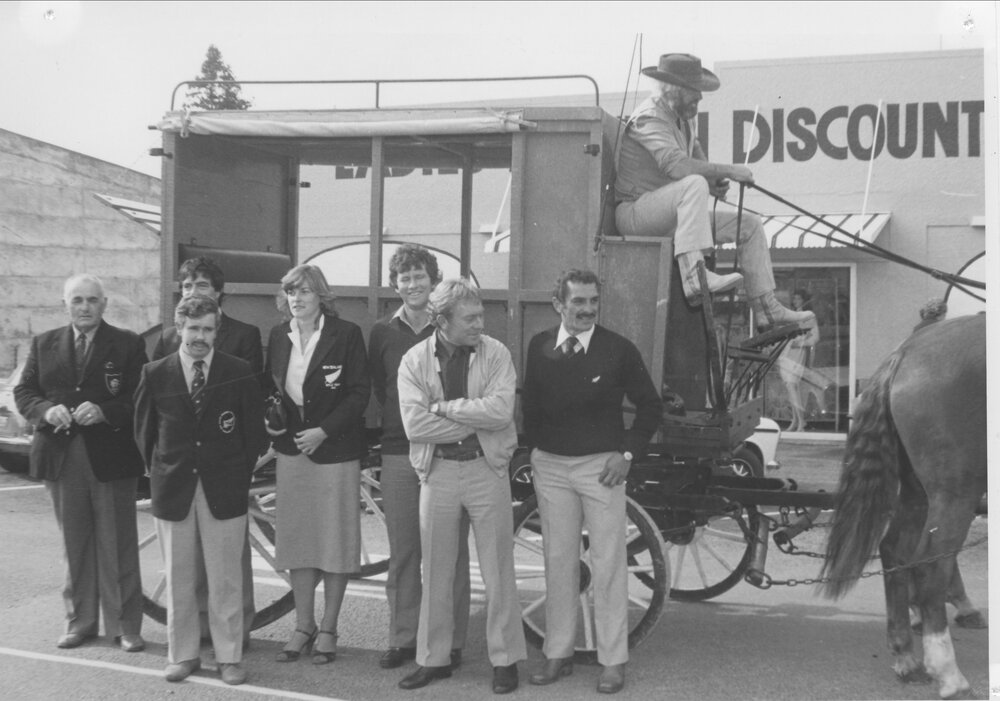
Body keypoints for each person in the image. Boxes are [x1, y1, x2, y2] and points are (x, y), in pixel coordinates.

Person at [521, 269, 662, 695]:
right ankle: (558, 653)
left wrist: (627, 455)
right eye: (578, 301)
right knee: (559, 562)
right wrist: (533, 453)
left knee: (608, 564)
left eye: (592, 301)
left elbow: (650, 407)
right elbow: (533, 405)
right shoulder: (540, 346)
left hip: (601, 469)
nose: (586, 309)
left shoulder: (618, 350)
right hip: (551, 468)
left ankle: (613, 660)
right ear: (558, 303)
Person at [614, 53, 816, 331]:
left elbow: (698, 160)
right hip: (636, 214)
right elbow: (676, 165)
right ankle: (695, 277)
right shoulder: (649, 117)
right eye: (694, 93)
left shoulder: (684, 118)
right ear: (674, 89)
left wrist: (714, 182)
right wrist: (730, 171)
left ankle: (767, 309)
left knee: (750, 224)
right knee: (694, 183)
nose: (699, 99)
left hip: (671, 217)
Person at [396, 278, 526, 695]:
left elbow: (502, 411)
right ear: (441, 320)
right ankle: (433, 659)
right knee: (435, 569)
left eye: (480, 315)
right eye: (469, 318)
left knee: (497, 571)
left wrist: (446, 408)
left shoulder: (497, 353)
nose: (479, 324)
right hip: (438, 474)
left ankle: (505, 660)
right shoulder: (414, 360)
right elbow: (415, 424)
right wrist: (469, 422)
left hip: (487, 470)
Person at [134, 295, 265, 685]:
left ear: (217, 331)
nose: (200, 337)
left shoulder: (237, 371)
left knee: (225, 579)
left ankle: (229, 657)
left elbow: (253, 434)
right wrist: (163, 472)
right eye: (193, 329)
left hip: (223, 490)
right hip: (174, 488)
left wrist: (234, 476)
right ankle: (183, 654)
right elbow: (144, 435)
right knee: (179, 577)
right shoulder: (154, 373)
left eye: (207, 329)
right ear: (179, 329)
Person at [14, 274, 147, 653]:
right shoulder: (44, 343)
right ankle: (80, 622)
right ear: (65, 304)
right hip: (60, 456)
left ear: (104, 304)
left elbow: (141, 397)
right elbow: (24, 392)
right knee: (75, 544)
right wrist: (45, 409)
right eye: (77, 301)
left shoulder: (127, 343)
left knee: (117, 542)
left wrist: (105, 411)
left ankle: (126, 626)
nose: (85, 307)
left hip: (110, 457)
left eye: (92, 300)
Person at [368, 245, 471, 670]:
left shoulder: (449, 325)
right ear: (395, 285)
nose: (412, 284)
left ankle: (454, 639)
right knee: (405, 549)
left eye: (419, 276)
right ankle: (403, 637)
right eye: (404, 278)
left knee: (450, 551)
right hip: (398, 451)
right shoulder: (382, 333)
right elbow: (381, 388)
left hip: (448, 449)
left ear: (434, 280)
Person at [153, 256, 264, 640]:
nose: (193, 292)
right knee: (185, 565)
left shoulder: (244, 337)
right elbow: (150, 417)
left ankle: (235, 635)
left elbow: (250, 418)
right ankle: (194, 635)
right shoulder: (168, 340)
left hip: (224, 466)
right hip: (182, 468)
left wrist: (239, 466)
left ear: (219, 293)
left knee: (227, 564)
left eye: (201, 286)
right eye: (186, 287)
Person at [264, 264, 371, 666]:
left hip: (335, 450)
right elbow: (269, 389)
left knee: (335, 540)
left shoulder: (346, 335)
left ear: (321, 296)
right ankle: (302, 626)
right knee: (299, 542)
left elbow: (359, 393)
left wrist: (324, 431)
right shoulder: (278, 336)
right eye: (291, 292)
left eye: (306, 291)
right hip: (293, 452)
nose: (298, 298)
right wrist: (271, 424)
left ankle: (328, 628)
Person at [777, 289, 820, 433]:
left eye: (798, 298)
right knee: (790, 388)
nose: (796, 301)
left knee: (792, 385)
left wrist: (801, 342)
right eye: (794, 298)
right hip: (787, 353)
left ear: (804, 300)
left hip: (798, 353)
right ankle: (795, 421)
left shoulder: (808, 316)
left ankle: (801, 421)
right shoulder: (792, 315)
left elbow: (815, 337)